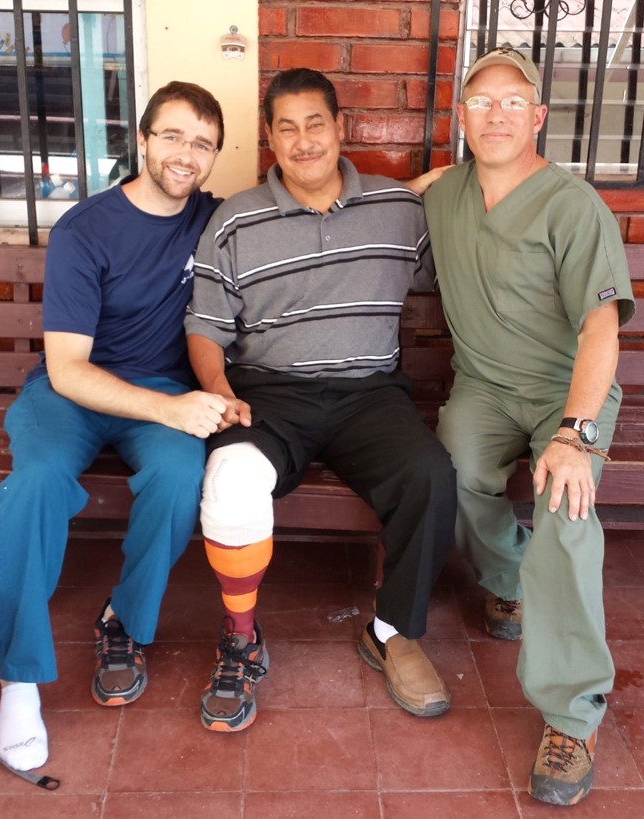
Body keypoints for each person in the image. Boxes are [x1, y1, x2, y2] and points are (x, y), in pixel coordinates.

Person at [184, 67, 457, 733]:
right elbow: (205, 327)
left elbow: (459, 257)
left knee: (429, 474)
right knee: (230, 477)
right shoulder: (234, 220)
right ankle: (240, 636)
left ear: (341, 127)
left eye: (316, 123)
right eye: (287, 128)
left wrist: (438, 186)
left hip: (370, 394)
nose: (303, 140)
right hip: (270, 394)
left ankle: (392, 633)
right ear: (270, 138)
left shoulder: (397, 210)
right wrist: (219, 392)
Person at [0, 81, 231, 772]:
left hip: (160, 390)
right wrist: (172, 409)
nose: (186, 154)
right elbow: (68, 368)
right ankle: (18, 679)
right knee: (34, 483)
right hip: (71, 391)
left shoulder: (214, 220)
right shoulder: (85, 228)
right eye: (173, 136)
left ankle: (122, 619)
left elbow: (303, 201)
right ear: (144, 139)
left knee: (179, 474)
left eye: (203, 143)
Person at [422, 48, 635, 806]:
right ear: (462, 117)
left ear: (538, 115)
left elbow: (601, 329)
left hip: (565, 393)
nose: (497, 114)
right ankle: (508, 582)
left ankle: (572, 713)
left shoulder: (572, 205)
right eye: (481, 102)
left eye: (513, 102)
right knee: (449, 470)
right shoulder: (445, 192)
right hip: (483, 388)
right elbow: (397, 197)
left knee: (566, 508)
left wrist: (574, 435)